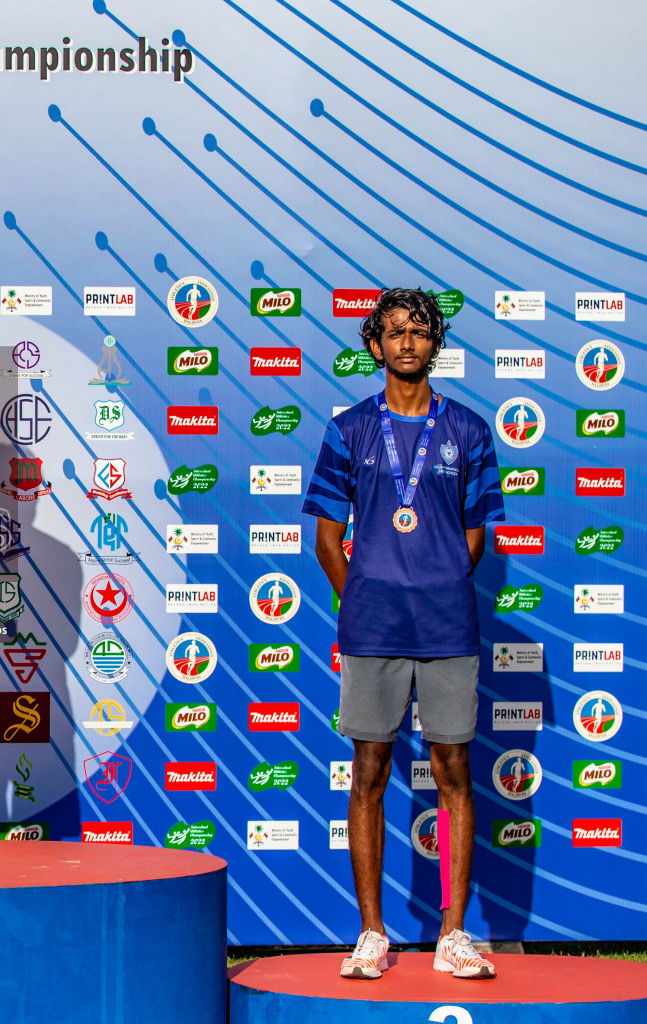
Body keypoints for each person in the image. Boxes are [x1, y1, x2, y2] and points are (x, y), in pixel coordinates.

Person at [302, 288, 505, 980]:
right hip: (372, 626)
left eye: (419, 331)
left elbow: (473, 539)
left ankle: (452, 934)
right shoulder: (349, 429)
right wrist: (364, 593)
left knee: (454, 772)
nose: (408, 343)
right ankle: (372, 933)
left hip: (448, 625)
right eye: (394, 332)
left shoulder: (471, 432)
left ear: (435, 342)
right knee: (369, 772)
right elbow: (328, 538)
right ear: (375, 346)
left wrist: (434, 581)